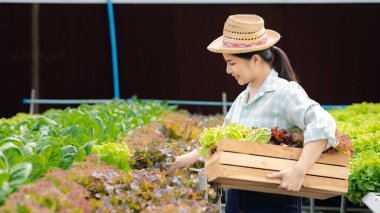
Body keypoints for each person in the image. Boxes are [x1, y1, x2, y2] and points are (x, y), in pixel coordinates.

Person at [168, 14, 338, 213]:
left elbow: (324, 124)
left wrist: (299, 171)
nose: (227, 70)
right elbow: (218, 143)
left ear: (255, 59)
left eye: (232, 63)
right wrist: (177, 162)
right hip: (237, 198)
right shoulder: (242, 99)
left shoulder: (284, 92)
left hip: (274, 199)